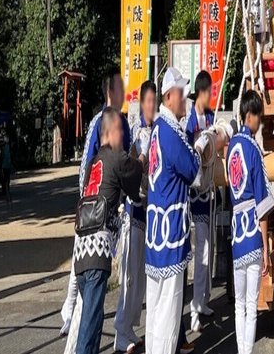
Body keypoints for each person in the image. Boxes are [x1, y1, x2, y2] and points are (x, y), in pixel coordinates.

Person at [145, 67, 220, 354]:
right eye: (181, 92)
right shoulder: (169, 132)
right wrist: (202, 146)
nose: (185, 97)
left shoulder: (159, 130)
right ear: (169, 96)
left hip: (157, 233)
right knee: (167, 311)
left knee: (156, 310)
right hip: (170, 232)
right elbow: (192, 171)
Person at [61, 69, 130, 336]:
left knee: (82, 267)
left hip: (94, 205)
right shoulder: (107, 122)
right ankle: (71, 314)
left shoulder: (106, 120)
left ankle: (70, 312)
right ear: (111, 92)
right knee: (90, 274)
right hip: (98, 208)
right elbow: (90, 167)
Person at [73, 107, 146, 354]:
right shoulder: (116, 156)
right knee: (90, 325)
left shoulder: (94, 162)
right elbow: (135, 171)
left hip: (81, 251)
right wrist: (143, 157)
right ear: (113, 131)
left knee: (92, 318)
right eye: (122, 132)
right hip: (97, 251)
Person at [228, 90, 274, 354]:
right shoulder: (253, 150)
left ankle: (239, 350)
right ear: (250, 115)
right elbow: (263, 204)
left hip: (236, 231)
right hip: (252, 232)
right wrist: (266, 246)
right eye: (259, 116)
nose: (261, 122)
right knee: (251, 305)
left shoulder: (232, 146)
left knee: (239, 304)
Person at [114, 80, 156, 353]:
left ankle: (129, 328)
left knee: (140, 276)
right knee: (129, 276)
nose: (152, 106)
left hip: (150, 209)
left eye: (155, 101)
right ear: (141, 102)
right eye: (148, 101)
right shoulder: (135, 131)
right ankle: (120, 333)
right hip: (133, 208)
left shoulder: (158, 130)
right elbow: (127, 165)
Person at [185, 71, 216, 332]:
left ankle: (202, 300)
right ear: (201, 92)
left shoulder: (210, 117)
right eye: (209, 92)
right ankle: (194, 309)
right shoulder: (189, 121)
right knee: (197, 252)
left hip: (207, 190)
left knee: (207, 249)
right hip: (191, 193)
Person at [0, 130, 13, 207]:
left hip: (8, 164)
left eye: (7, 138)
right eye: (5, 138)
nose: (6, 139)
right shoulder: (3, 147)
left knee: (7, 179)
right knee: (5, 179)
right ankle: (6, 192)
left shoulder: (9, 146)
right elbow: (1, 157)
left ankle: (7, 191)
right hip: (4, 165)